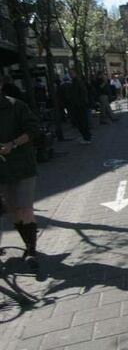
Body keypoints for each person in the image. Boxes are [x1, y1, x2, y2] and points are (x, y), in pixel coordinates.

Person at [0, 74, 40, 262]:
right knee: (13, 211)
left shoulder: (16, 106)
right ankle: (27, 244)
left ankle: (32, 251)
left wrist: (13, 144)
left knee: (25, 209)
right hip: (2, 171)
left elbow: (33, 129)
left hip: (22, 165)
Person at [68, 69, 92, 144]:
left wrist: (80, 102)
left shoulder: (76, 82)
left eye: (71, 73)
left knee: (82, 121)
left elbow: (79, 93)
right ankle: (86, 137)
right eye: (69, 74)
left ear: (75, 73)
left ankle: (86, 138)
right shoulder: (77, 81)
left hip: (79, 105)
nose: (70, 75)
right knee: (82, 121)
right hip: (80, 104)